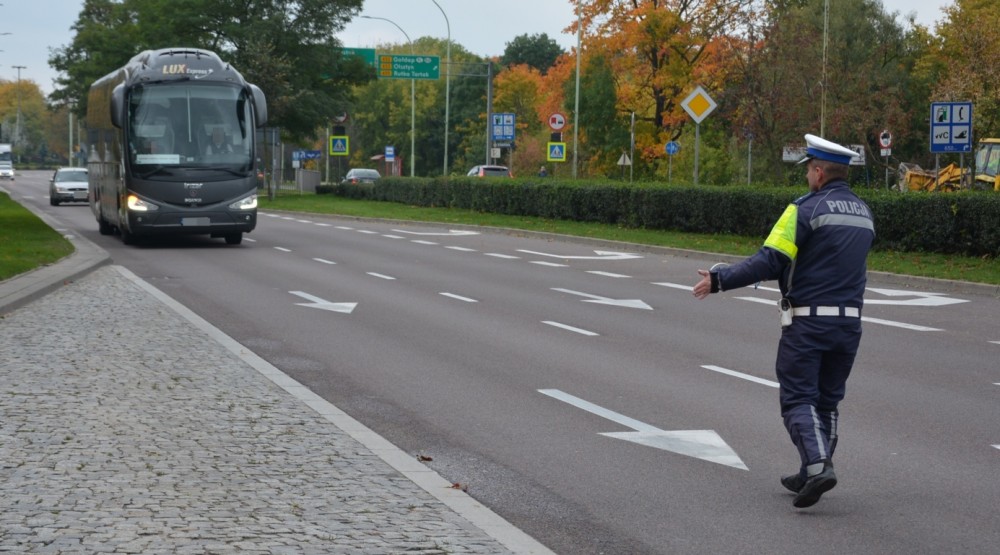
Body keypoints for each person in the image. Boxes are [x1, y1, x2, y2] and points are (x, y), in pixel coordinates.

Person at [692, 133, 875, 508]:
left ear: (819, 173)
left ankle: (818, 465)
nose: (807, 176)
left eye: (808, 170)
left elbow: (770, 260)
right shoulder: (864, 213)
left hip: (809, 323)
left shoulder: (804, 209)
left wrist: (720, 279)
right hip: (849, 324)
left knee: (798, 399)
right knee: (827, 402)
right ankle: (810, 470)